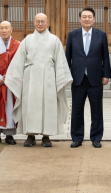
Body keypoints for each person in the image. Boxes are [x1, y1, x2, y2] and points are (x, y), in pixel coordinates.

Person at [5, 13, 72, 148]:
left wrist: (61, 78)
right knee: (30, 104)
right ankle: (30, 135)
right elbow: (19, 60)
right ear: (34, 23)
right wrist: (14, 77)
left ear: (47, 23)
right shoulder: (27, 40)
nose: (40, 24)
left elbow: (60, 61)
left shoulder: (54, 40)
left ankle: (46, 136)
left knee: (48, 105)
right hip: (30, 75)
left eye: (43, 21)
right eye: (38, 21)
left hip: (48, 75)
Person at [65, 7, 110, 149]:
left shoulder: (101, 34)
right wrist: (67, 75)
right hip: (78, 78)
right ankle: (77, 137)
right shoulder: (72, 35)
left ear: (94, 19)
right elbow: (68, 57)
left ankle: (96, 137)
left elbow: (105, 56)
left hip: (95, 78)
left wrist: (106, 75)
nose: (87, 19)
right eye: (84, 17)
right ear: (80, 19)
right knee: (77, 110)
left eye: (89, 17)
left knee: (97, 110)